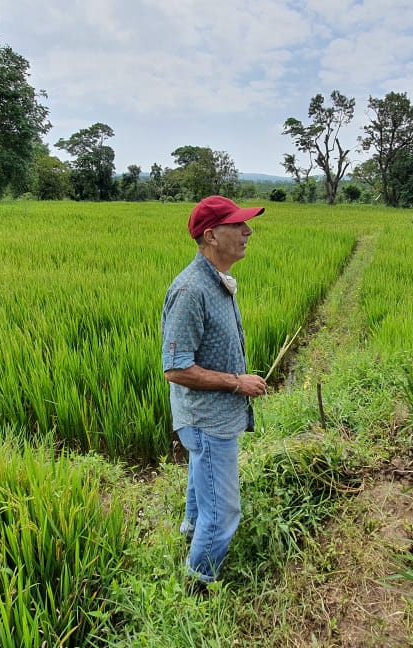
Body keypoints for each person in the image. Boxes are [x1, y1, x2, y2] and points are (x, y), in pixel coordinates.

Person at [161, 195, 268, 592]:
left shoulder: (217, 282)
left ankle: (190, 535)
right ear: (210, 236)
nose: (247, 231)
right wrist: (237, 382)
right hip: (207, 420)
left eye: (246, 224)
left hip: (211, 416)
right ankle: (197, 588)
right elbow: (175, 368)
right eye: (237, 226)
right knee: (223, 513)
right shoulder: (192, 291)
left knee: (199, 482)